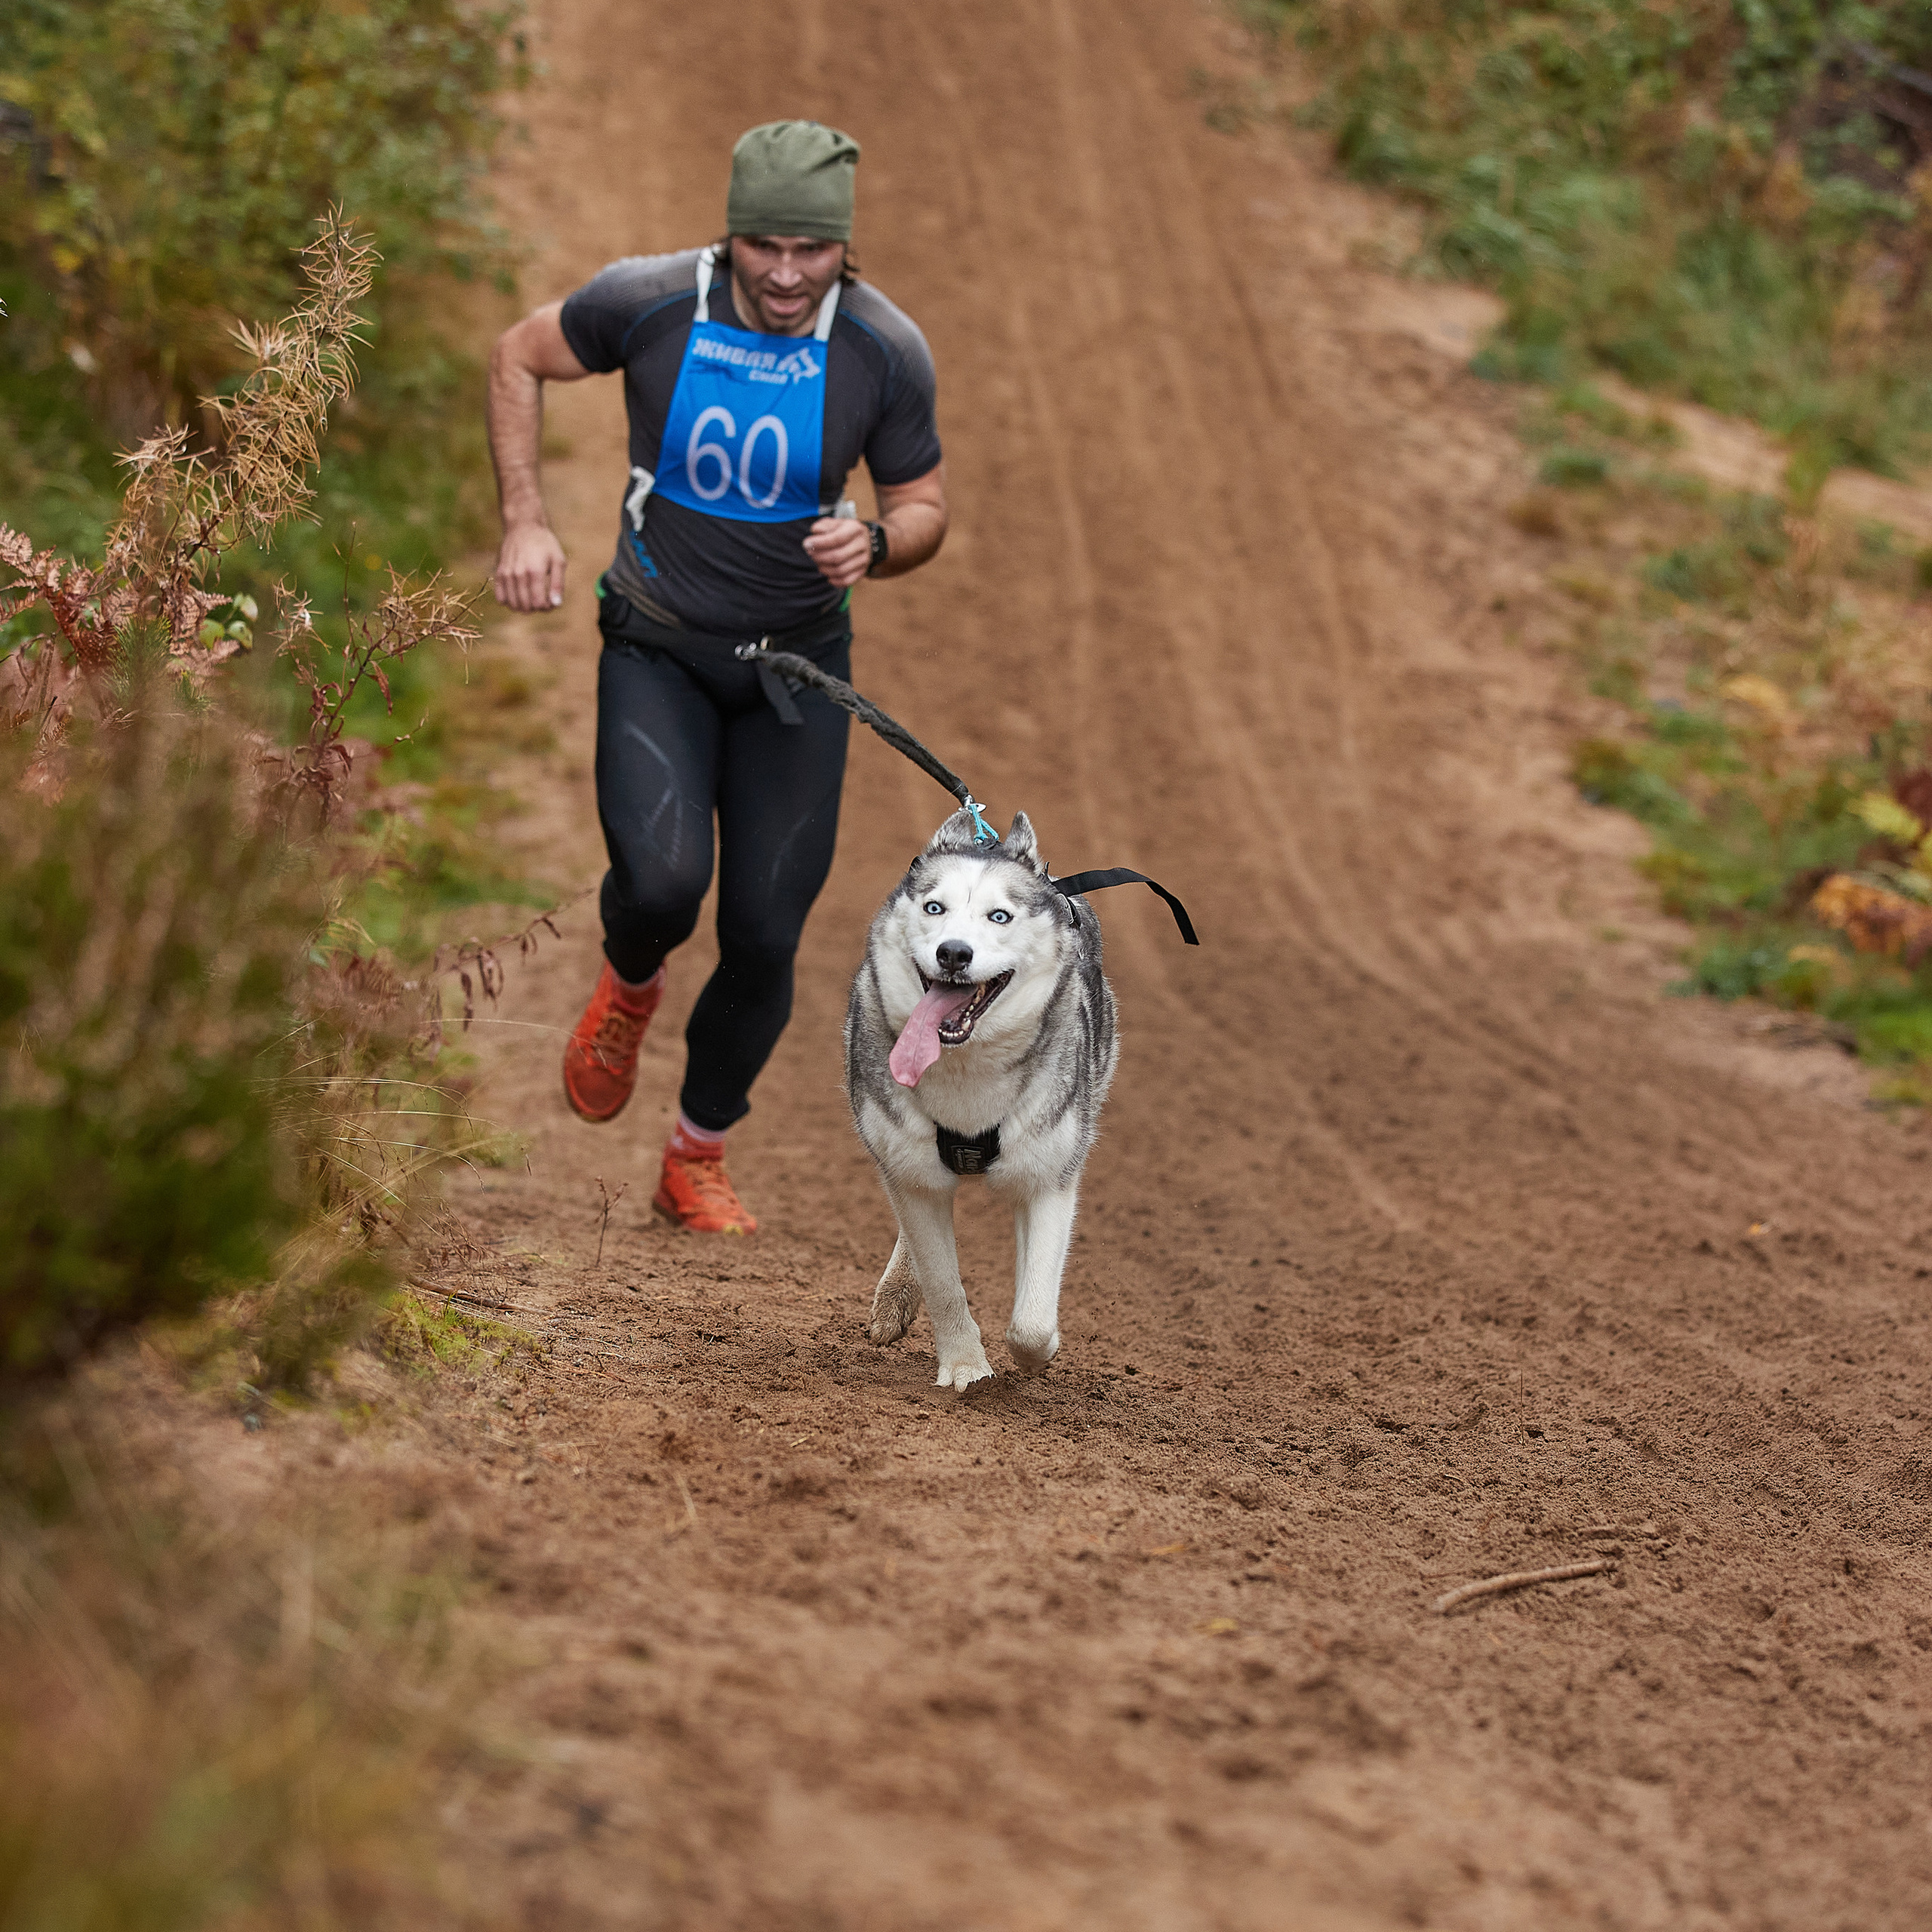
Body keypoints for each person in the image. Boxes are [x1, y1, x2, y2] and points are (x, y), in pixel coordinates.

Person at [487, 122, 947, 1235]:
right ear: (730, 235)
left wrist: (879, 543)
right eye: (763, 246)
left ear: (844, 247)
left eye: (811, 251)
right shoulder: (650, 303)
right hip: (660, 649)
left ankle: (695, 1154)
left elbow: (925, 504)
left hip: (796, 675)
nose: (786, 275)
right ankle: (629, 981)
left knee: (765, 933)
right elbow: (518, 355)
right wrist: (525, 521)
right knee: (660, 886)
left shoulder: (884, 348)